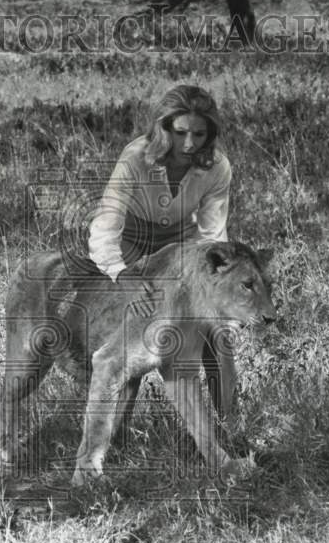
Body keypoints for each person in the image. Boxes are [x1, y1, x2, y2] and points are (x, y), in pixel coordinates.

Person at [86, 84, 237, 417]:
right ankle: (116, 434)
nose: (188, 144)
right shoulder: (136, 157)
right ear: (164, 127)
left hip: (184, 249)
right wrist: (120, 276)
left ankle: (230, 428)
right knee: (136, 327)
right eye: (180, 132)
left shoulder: (218, 167)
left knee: (216, 331)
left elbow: (213, 237)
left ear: (209, 134)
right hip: (133, 246)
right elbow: (107, 222)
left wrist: (207, 290)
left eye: (199, 134)